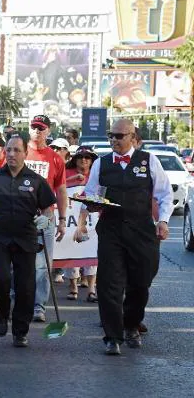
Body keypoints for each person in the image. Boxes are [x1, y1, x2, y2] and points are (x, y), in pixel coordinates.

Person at [83, 119, 172, 355]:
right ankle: (113, 336)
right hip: (111, 230)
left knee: (141, 281)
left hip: (142, 230)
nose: (114, 140)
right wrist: (91, 204)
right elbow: (91, 193)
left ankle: (132, 323)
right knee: (109, 284)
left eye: (120, 136)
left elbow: (165, 194)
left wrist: (163, 220)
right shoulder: (101, 163)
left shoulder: (148, 160)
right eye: (111, 135)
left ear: (133, 138)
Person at [0, 135, 57, 347]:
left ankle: (21, 331)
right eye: (8, 150)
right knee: (1, 279)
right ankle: (2, 314)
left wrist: (45, 220)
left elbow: (48, 208)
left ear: (24, 153)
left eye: (16, 150)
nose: (11, 154)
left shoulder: (36, 180)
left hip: (26, 238)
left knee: (25, 287)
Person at [25, 114, 67, 323]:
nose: (37, 131)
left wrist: (61, 219)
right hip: (20, 216)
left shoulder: (55, 158)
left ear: (48, 131)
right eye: (34, 127)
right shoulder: (19, 151)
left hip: (45, 216)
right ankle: (19, 300)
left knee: (43, 265)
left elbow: (60, 189)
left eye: (41, 128)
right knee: (19, 261)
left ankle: (39, 306)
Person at [65, 148, 99, 302]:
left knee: (91, 252)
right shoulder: (66, 172)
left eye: (87, 157)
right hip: (70, 218)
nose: (84, 160)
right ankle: (73, 287)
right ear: (75, 159)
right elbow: (55, 187)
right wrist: (73, 180)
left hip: (91, 219)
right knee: (70, 252)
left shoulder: (96, 174)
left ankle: (91, 289)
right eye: (80, 157)